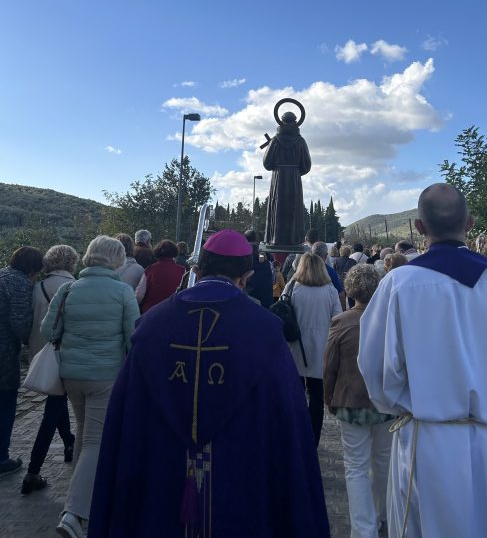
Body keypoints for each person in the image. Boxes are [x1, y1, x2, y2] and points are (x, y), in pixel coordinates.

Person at [88, 230, 330, 538]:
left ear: (197, 271)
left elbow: (124, 422)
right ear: (246, 277)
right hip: (241, 483)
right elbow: (288, 425)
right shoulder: (265, 333)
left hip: (161, 480)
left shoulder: (152, 328)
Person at [358, 183, 487, 538]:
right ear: (470, 223)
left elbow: (374, 369)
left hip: (427, 445)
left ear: (419, 228)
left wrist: (409, 405)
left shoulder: (399, 285)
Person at [41, 236, 139, 538]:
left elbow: (48, 329)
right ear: (118, 259)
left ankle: (80, 494)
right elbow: (133, 337)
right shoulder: (123, 291)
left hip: (71, 375)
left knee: (84, 432)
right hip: (105, 375)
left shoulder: (69, 290)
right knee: (96, 440)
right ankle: (74, 513)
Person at [324, 264, 393, 538]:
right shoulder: (390, 320)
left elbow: (330, 365)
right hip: (386, 404)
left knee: (355, 466)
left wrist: (330, 398)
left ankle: (363, 530)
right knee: (384, 462)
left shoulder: (341, 322)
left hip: (351, 402)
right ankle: (383, 515)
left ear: (351, 290)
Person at [23, 245, 79, 494]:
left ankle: (68, 443)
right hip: (63, 355)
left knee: (57, 402)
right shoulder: (73, 288)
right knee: (51, 413)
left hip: (41, 354)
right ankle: (32, 471)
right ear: (71, 262)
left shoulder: (37, 287)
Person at [283, 253, 342, 446]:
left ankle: (297, 436)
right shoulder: (330, 291)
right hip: (321, 348)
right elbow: (337, 319)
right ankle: (313, 440)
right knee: (317, 398)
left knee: (297, 396)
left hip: (296, 347)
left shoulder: (292, 287)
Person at [0, 246, 43, 477]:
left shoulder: (1, 275)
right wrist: (34, 342)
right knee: (5, 403)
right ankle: (1, 458)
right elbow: (20, 324)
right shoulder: (19, 283)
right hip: (4, 354)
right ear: (32, 268)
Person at [263, 111, 312, 246]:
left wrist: (279, 167)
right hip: (294, 178)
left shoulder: (275, 141)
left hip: (278, 177)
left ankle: (276, 239)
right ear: (295, 122)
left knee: (277, 207)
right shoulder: (301, 141)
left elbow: (267, 164)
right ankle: (293, 240)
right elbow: (307, 165)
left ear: (281, 122)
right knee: (293, 208)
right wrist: (295, 171)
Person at [136, 240, 186, 313]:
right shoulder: (182, 270)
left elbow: (139, 295)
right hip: (173, 311)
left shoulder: (150, 269)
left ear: (157, 252)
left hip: (151, 312)